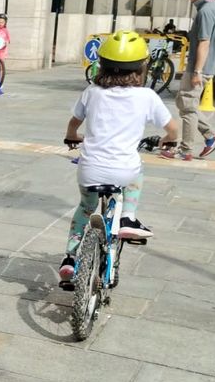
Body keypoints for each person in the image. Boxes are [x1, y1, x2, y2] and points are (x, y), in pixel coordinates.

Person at [59, 31, 178, 285]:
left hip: (90, 169)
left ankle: (69, 258)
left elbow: (73, 123)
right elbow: (172, 129)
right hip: (124, 170)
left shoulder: (92, 92)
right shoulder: (147, 96)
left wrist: (72, 137)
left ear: (102, 64)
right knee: (137, 170)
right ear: (142, 67)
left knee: (86, 207)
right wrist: (168, 141)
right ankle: (128, 217)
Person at [161, 0, 215, 161]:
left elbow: (204, 42)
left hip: (199, 67)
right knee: (184, 103)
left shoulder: (206, 11)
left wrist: (197, 71)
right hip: (205, 66)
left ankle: (185, 149)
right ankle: (211, 135)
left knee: (187, 107)